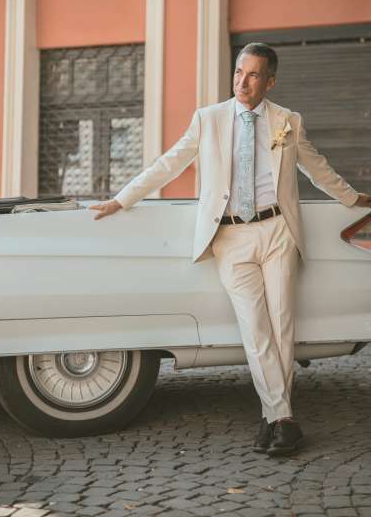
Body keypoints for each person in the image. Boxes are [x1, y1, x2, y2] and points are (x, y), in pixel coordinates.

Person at [90, 43, 371, 456]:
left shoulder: (287, 121)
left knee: (282, 328)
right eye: (239, 72)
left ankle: (275, 418)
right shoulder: (209, 119)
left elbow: (316, 167)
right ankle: (281, 418)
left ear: (269, 82)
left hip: (278, 231)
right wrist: (122, 199)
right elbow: (169, 163)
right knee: (256, 330)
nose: (243, 81)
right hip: (230, 237)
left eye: (254, 75)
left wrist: (352, 198)